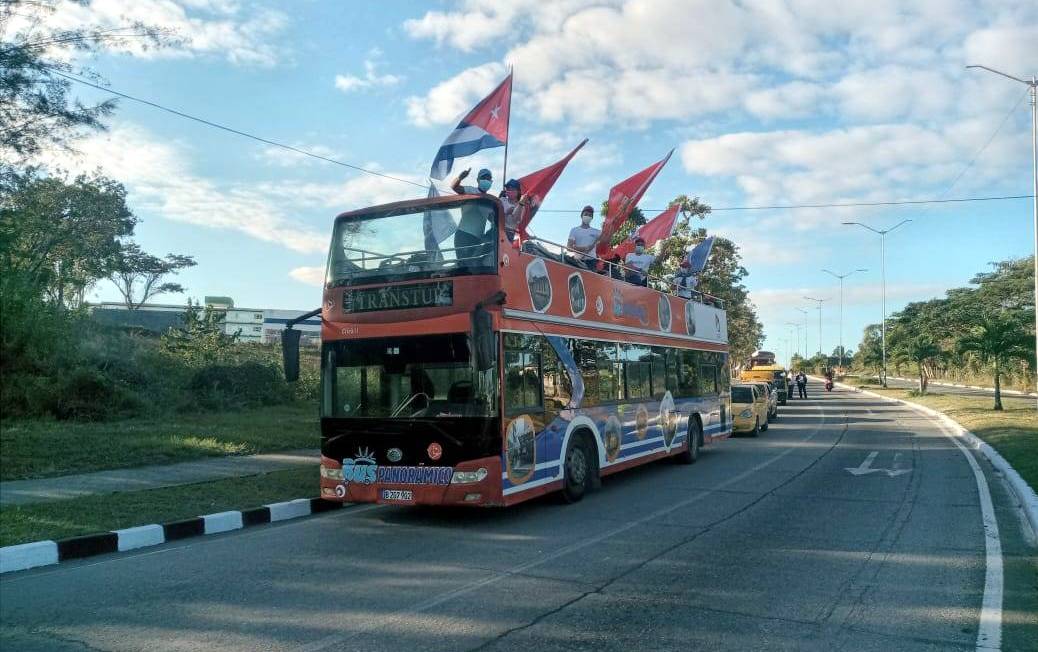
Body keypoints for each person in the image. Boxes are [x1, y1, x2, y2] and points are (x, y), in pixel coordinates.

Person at [499, 178, 528, 243]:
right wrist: (506, 213)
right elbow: (494, 216)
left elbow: (517, 220)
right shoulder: (501, 200)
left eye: (512, 189)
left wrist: (520, 204)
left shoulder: (522, 206)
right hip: (497, 229)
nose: (509, 191)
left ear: (518, 191)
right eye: (508, 189)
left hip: (509, 233)